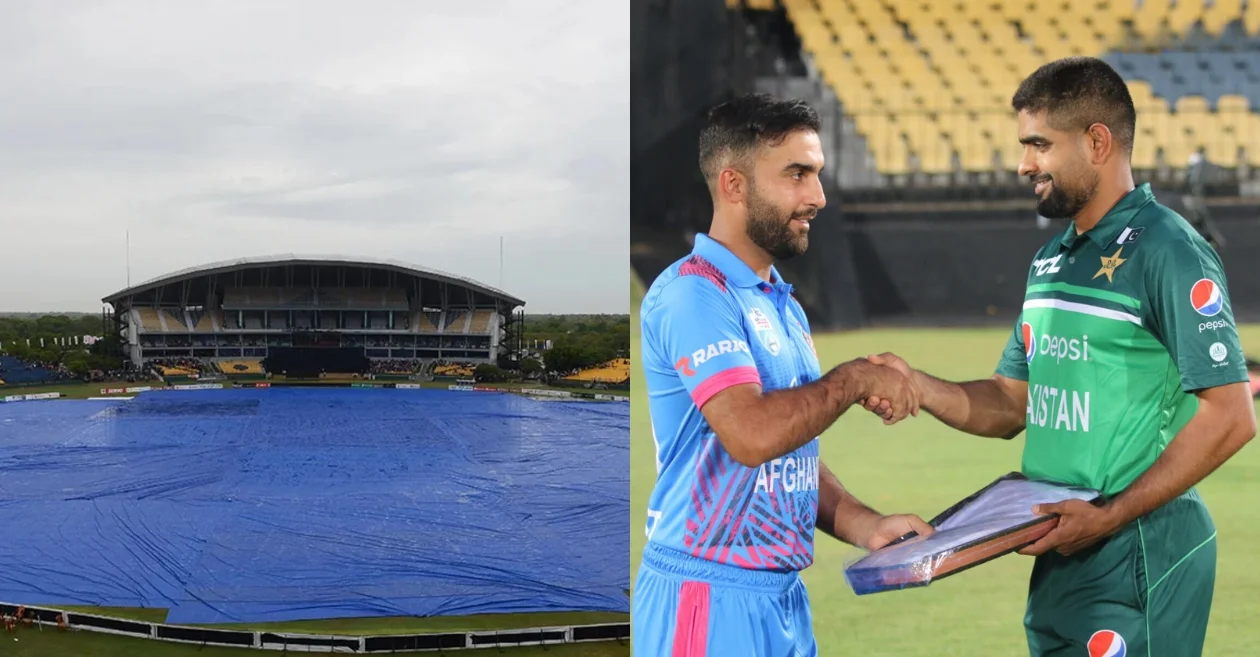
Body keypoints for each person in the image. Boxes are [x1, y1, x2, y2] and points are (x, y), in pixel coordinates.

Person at [863, 57, 1256, 657]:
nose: (1024, 164)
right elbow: (1011, 401)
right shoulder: (1051, 259)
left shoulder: (1170, 250)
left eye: (1039, 145)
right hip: (1064, 546)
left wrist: (1111, 516)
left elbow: (1231, 416)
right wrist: (919, 386)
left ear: (1097, 142)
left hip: (1140, 548)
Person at [633, 93, 933, 656]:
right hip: (707, 599)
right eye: (797, 174)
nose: (817, 197)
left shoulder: (781, 304)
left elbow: (786, 456)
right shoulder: (692, 294)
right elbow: (752, 434)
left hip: (781, 600)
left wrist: (865, 524)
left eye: (817, 174)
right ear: (734, 184)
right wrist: (854, 380)